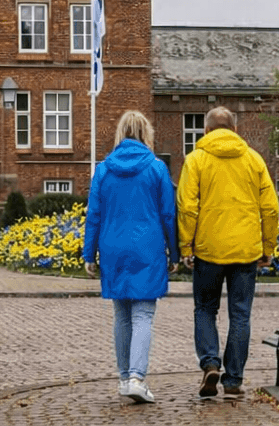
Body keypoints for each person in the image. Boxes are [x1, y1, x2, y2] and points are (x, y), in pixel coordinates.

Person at [176, 106, 279, 399]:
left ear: (206, 131)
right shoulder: (253, 159)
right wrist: (267, 246)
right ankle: (233, 380)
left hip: (208, 250)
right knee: (240, 315)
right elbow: (271, 208)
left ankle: (210, 362)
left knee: (206, 309)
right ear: (235, 131)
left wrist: (186, 245)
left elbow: (186, 206)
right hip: (247, 251)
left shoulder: (195, 160)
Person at [82, 110, 180, 404]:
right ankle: (137, 376)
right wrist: (174, 252)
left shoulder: (103, 169)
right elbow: (167, 213)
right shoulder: (157, 168)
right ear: (145, 134)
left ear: (120, 133)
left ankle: (125, 377)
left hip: (113, 246)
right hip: (147, 247)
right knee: (143, 314)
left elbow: (94, 215)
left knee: (122, 315)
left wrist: (89, 253)